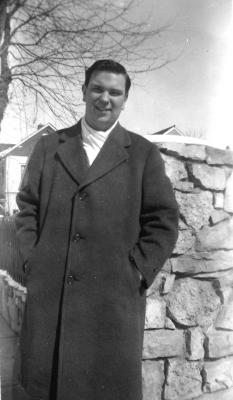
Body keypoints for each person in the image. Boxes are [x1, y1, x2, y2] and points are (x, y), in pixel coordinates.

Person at [15, 59, 178, 400]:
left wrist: (135, 272)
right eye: (98, 89)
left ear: (124, 99)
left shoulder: (143, 154)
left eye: (115, 92)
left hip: (111, 302)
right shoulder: (49, 147)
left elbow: (163, 221)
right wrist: (34, 260)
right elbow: (27, 207)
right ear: (84, 91)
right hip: (52, 295)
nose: (105, 99)